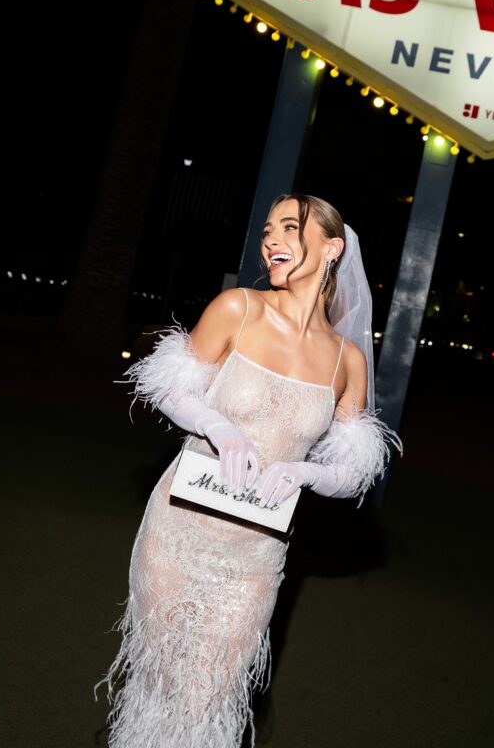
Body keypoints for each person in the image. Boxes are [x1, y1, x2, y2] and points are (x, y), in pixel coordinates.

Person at [94, 193, 401, 747]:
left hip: (256, 553)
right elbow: (166, 386)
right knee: (164, 684)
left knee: (213, 693)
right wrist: (218, 425)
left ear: (332, 248)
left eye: (290, 227)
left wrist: (307, 475)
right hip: (179, 528)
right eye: (267, 231)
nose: (271, 240)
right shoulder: (239, 307)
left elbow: (352, 473)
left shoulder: (345, 360)